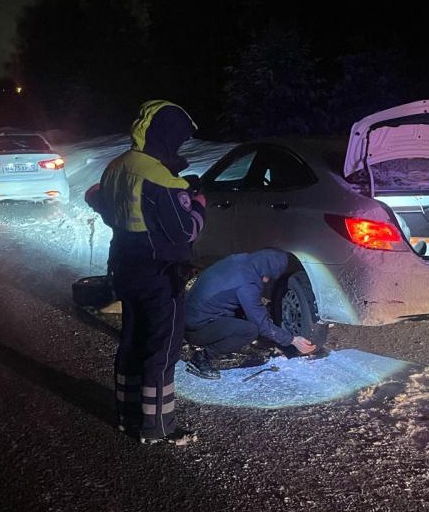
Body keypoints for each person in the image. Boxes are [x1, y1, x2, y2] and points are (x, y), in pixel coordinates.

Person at [94, 100, 206, 444]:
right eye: (178, 138)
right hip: (161, 273)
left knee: (131, 342)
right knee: (162, 349)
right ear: (166, 135)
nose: (179, 145)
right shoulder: (158, 177)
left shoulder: (116, 166)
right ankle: (157, 427)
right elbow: (184, 231)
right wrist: (198, 206)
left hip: (125, 267)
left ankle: (128, 415)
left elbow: (106, 208)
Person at [184, 248, 318, 380]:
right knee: (249, 330)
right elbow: (260, 324)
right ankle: (201, 358)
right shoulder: (247, 285)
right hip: (196, 329)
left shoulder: (241, 259)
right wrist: (292, 340)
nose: (266, 280)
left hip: (190, 314)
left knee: (251, 313)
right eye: (268, 276)